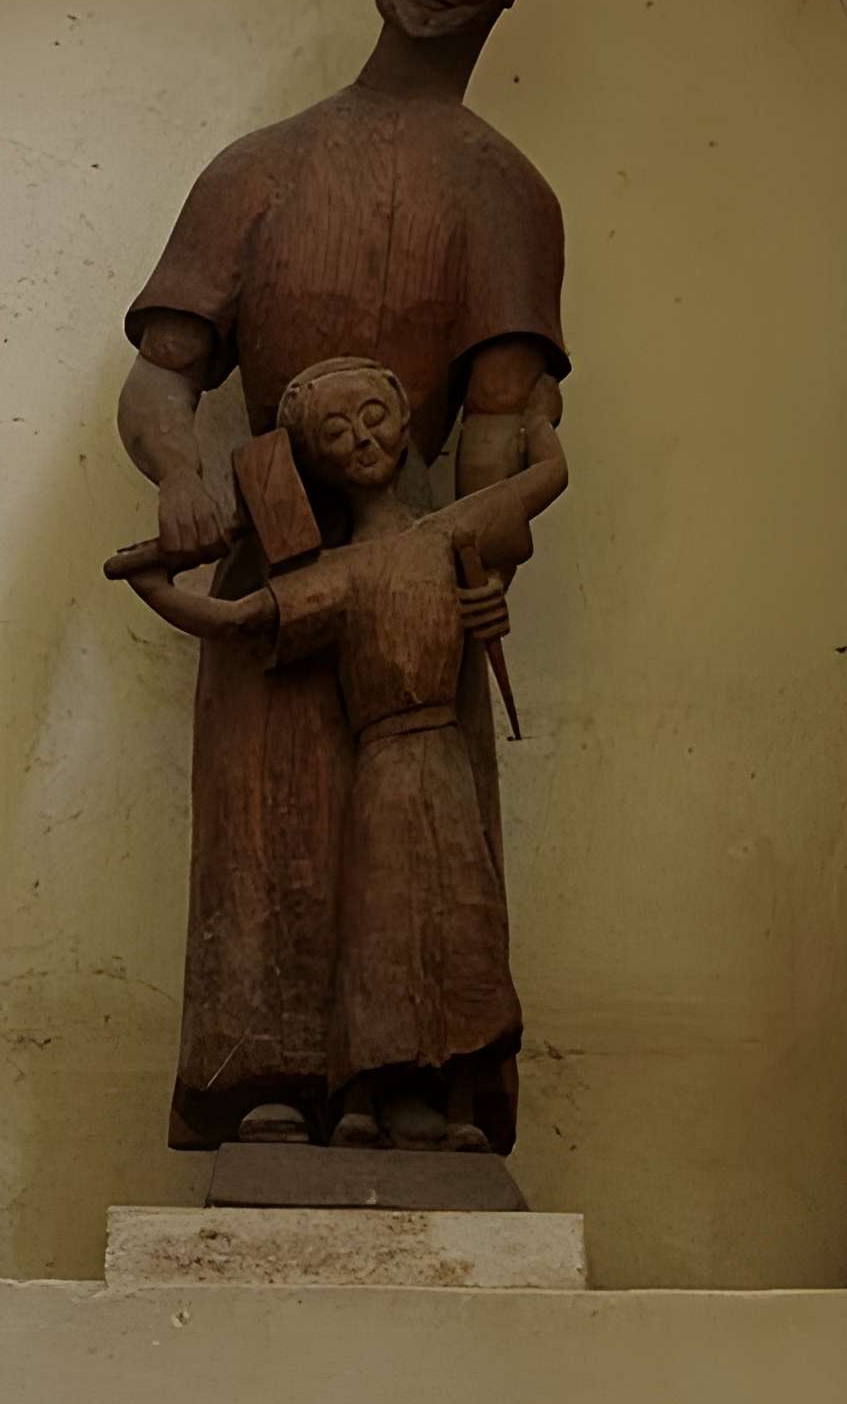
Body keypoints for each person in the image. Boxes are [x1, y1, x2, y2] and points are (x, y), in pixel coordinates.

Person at [115, 0, 569, 1150]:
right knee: (269, 826)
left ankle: (417, 1071)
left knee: (415, 827)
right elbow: (162, 380)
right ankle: (263, 1075)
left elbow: (500, 422)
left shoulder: (504, 192)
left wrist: (475, 563)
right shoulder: (258, 169)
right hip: (268, 546)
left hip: (413, 570)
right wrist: (189, 472)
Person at [120, 359, 567, 1151]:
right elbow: (238, 620)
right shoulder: (340, 576)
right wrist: (154, 583)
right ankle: (364, 1091)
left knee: (462, 921)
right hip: (388, 767)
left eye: (374, 417)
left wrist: (537, 417)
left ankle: (449, 1094)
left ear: (403, 419)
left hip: (442, 756)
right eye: (335, 432)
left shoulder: (450, 533)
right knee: (380, 926)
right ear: (313, 460)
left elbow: (542, 480)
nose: (362, 440)